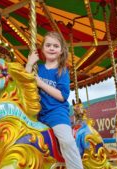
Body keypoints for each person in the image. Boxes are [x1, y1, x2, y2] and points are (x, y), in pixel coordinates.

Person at [25, 31, 83, 169]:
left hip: (56, 114)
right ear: (43, 49)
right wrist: (29, 64)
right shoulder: (37, 68)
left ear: (61, 50)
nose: (51, 48)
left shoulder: (62, 71)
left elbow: (63, 95)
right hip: (38, 115)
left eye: (55, 46)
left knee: (67, 142)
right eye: (48, 45)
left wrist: (41, 83)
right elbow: (25, 82)